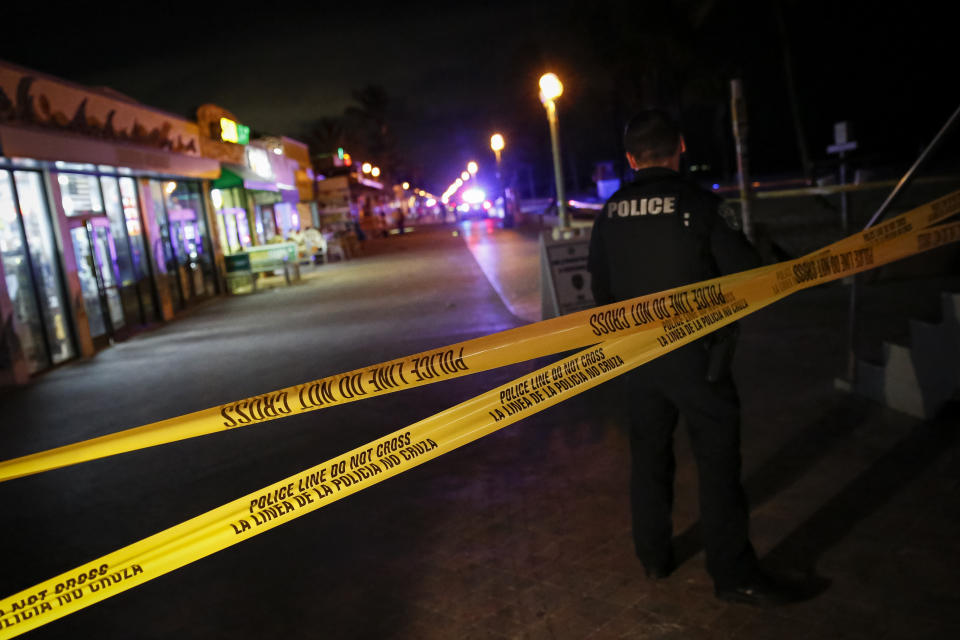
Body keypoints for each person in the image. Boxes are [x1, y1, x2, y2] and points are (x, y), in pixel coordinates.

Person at [587, 109, 805, 607]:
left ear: (629, 159)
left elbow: (601, 291)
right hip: (697, 358)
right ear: (680, 147)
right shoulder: (700, 206)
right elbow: (748, 277)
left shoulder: (610, 212)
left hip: (636, 357)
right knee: (718, 464)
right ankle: (731, 573)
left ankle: (654, 557)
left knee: (647, 459)